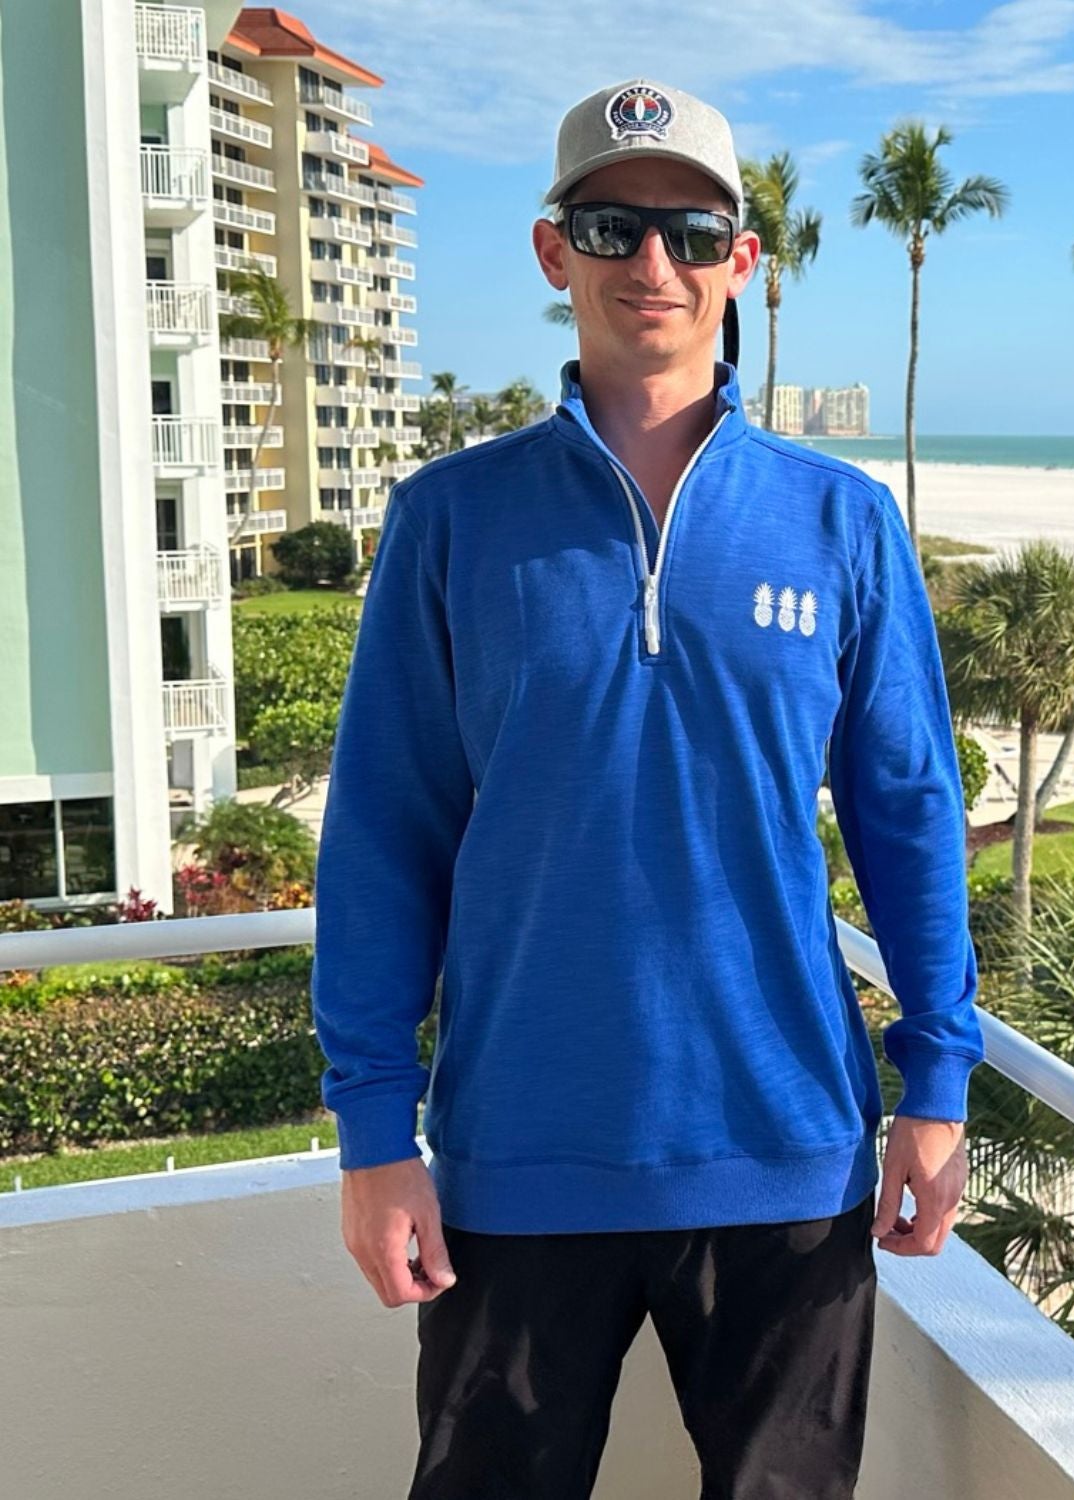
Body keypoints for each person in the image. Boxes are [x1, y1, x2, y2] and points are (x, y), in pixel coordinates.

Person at [310, 75, 985, 1500]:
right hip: (514, 1161)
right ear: (557, 252)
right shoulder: (451, 519)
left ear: (746, 259)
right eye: (614, 227)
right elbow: (385, 835)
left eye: (692, 231)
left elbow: (908, 811)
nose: (652, 266)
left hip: (786, 1156)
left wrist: (937, 1076)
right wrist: (376, 1129)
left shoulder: (839, 520)